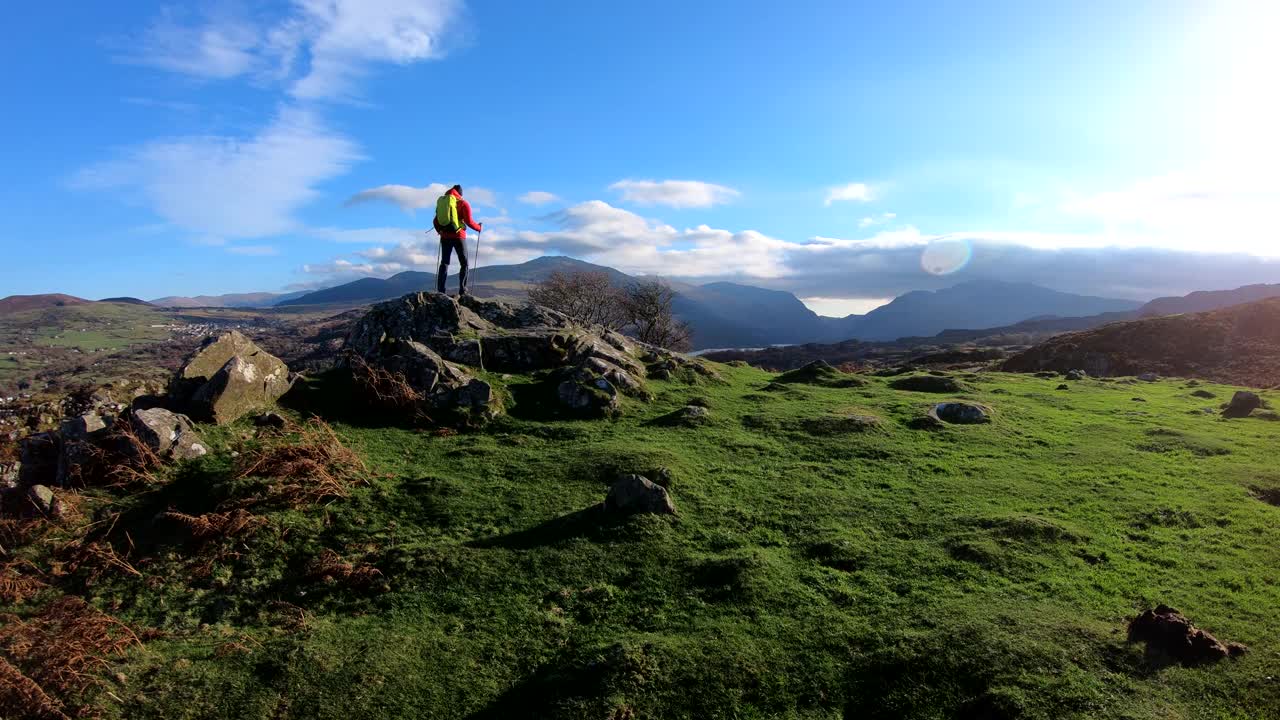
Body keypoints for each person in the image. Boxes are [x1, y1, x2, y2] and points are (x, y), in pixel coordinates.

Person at [433, 184, 483, 295]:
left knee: (444, 263)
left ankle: (441, 291)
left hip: (445, 237)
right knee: (464, 263)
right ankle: (463, 290)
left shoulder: (443, 203)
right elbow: (469, 222)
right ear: (460, 194)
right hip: (458, 236)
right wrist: (479, 228)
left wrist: (440, 231)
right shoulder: (463, 203)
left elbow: (435, 221)